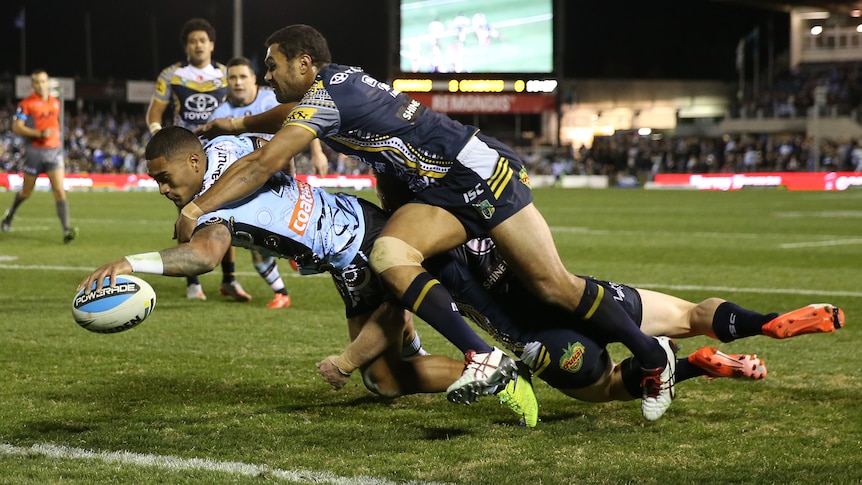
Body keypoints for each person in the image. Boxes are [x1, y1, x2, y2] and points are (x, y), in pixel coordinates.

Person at [183, 24, 676, 421]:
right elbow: (286, 113)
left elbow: (261, 164)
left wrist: (198, 207)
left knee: (553, 286)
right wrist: (236, 123)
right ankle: (480, 356)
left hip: (475, 172)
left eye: (273, 66)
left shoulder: (326, 99)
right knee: (391, 252)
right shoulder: (332, 85)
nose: (268, 77)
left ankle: (651, 356)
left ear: (304, 63)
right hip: (443, 187)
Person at [78, 126, 538, 426]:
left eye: (165, 177)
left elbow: (204, 257)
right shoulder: (227, 148)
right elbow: (273, 148)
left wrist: (129, 263)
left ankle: (499, 368)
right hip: (348, 223)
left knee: (381, 377)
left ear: (194, 164)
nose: (161, 189)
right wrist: (294, 198)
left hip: (358, 247)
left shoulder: (209, 213)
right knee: (385, 371)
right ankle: (455, 351)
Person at [423, 237, 846, 411]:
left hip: (541, 336)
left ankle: (695, 365)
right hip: (582, 296)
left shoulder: (418, 241)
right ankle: (766, 323)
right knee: (690, 314)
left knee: (601, 387)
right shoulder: (482, 200)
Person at [207, 56, 330, 309]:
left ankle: (298, 254)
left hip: (282, 176)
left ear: (254, 79)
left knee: (280, 234)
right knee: (256, 241)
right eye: (232, 78)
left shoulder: (271, 99)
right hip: (249, 183)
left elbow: (304, 117)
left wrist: (317, 152)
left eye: (243, 77)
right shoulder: (221, 113)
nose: (238, 82)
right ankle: (282, 290)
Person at [145, 17, 249, 302]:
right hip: (184, 159)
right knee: (187, 213)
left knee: (225, 211)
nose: (198, 45)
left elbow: (243, 106)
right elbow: (154, 114)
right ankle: (192, 283)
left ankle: (229, 279)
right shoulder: (172, 75)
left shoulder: (226, 75)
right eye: (193, 41)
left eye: (203, 40)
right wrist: (163, 139)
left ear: (212, 45)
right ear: (186, 47)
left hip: (220, 151)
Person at [2, 69, 78, 244]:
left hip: (54, 152)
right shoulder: (27, 103)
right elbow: (16, 127)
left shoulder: (55, 102)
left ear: (48, 82)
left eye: (44, 81)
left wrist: (56, 140)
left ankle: (66, 229)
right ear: (33, 85)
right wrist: (38, 133)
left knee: (59, 190)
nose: (41, 84)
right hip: (34, 153)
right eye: (37, 82)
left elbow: (55, 125)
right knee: (27, 192)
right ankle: (10, 215)